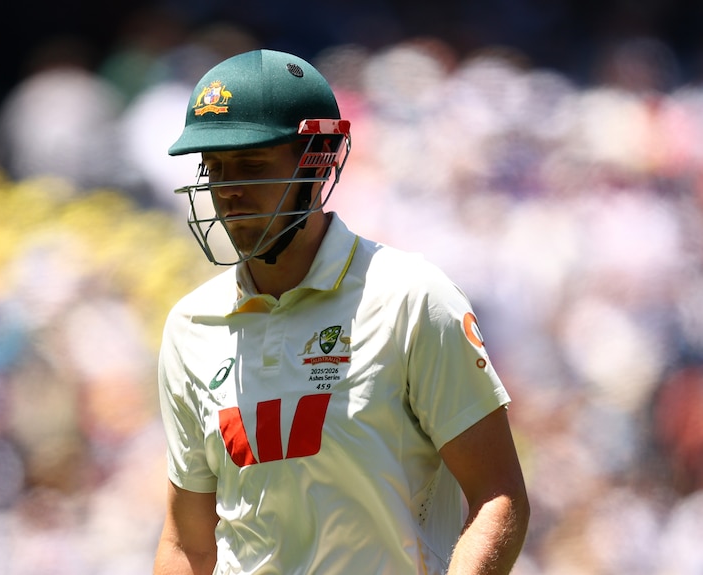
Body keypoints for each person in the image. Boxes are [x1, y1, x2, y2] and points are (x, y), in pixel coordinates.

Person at [154, 49, 529, 575]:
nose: (228, 190)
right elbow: (187, 543)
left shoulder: (411, 298)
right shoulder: (190, 326)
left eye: (252, 164)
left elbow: (498, 496)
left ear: (318, 158)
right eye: (214, 168)